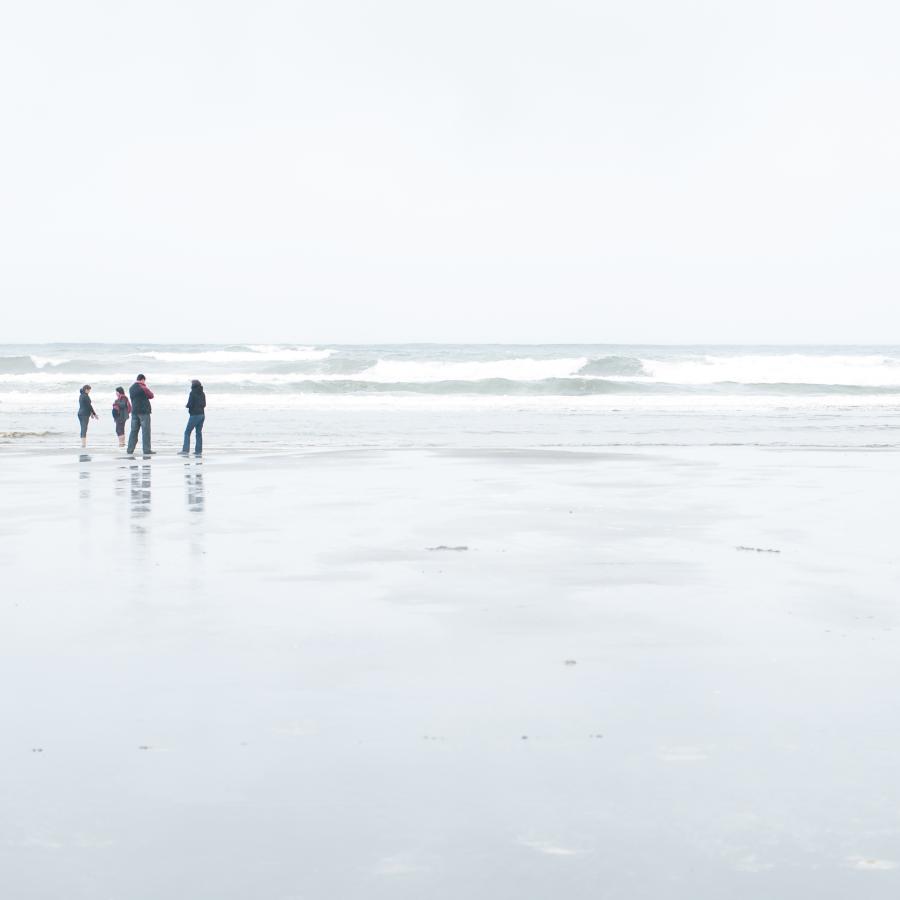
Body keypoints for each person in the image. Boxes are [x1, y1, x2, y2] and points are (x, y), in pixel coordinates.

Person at [126, 374, 154, 455]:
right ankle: (146, 450)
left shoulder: (131, 388)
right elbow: (151, 395)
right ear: (142, 380)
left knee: (133, 431)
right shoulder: (143, 387)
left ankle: (130, 450)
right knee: (146, 432)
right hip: (144, 412)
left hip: (134, 412)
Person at [182, 379, 206, 455]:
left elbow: (190, 404)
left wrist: (187, 406)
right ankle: (198, 451)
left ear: (193, 385)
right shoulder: (202, 393)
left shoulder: (192, 393)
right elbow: (204, 404)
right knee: (198, 433)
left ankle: (185, 450)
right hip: (202, 415)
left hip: (195, 415)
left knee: (187, 432)